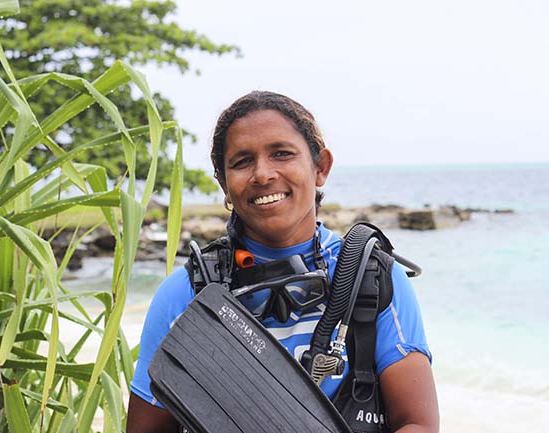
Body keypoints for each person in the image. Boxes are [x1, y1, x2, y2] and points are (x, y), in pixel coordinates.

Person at [126, 91, 439, 433]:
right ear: (224, 185)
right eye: (242, 161)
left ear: (320, 167)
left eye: (282, 154)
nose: (262, 174)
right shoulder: (187, 294)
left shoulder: (374, 279)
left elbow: (416, 423)